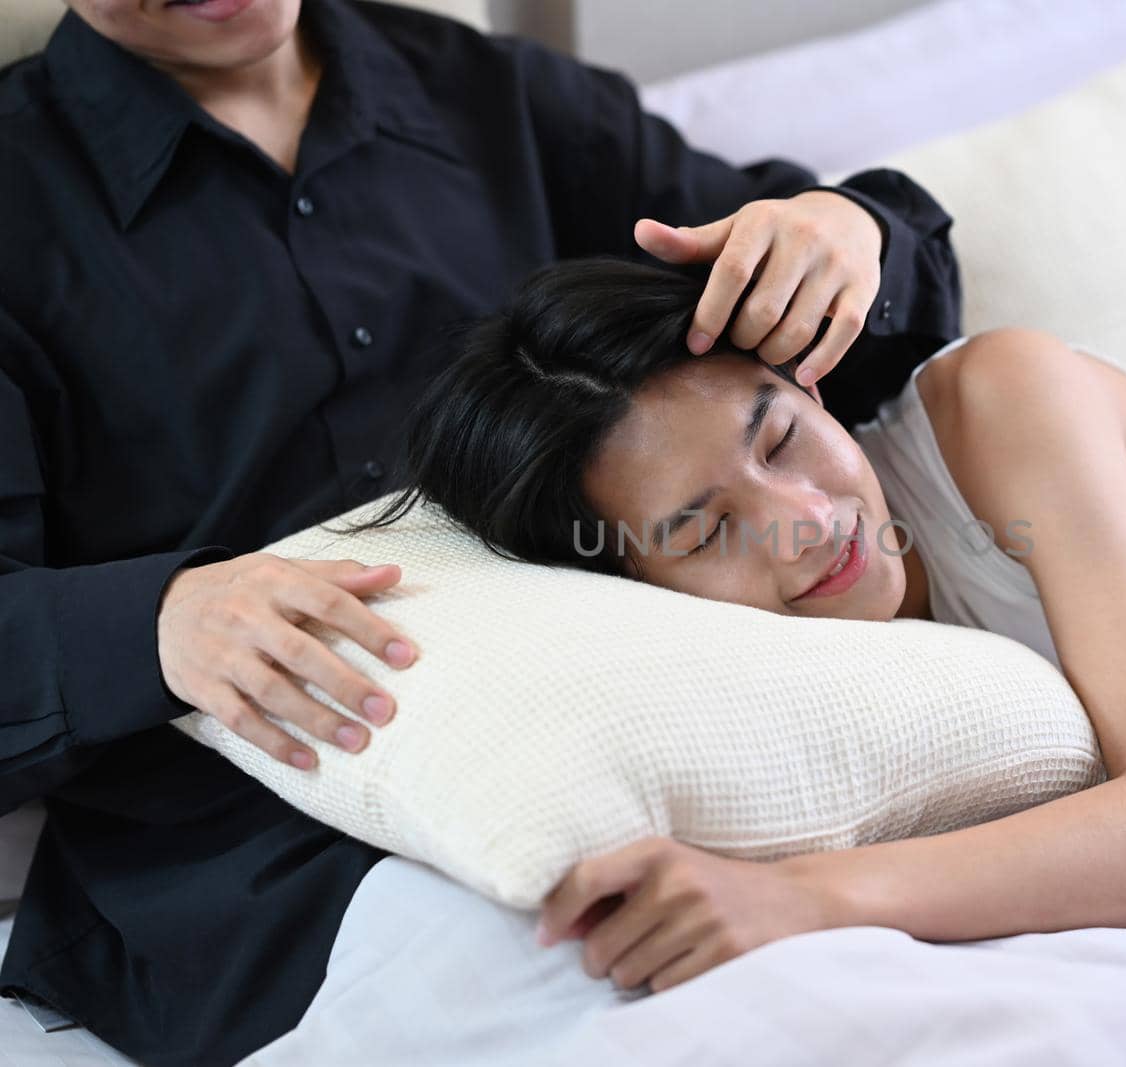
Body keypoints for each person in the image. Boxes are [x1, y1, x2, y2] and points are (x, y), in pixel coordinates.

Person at [0, 1, 961, 1062]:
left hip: (659, 743)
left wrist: (847, 234)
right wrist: (161, 618)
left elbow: (821, 357)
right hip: (270, 854)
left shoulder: (488, 92)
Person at [351, 257, 1126, 993]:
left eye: (783, 435)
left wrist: (800, 897)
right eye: (702, 529)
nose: (801, 522)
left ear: (809, 384)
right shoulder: (809, 688)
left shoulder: (1000, 400)